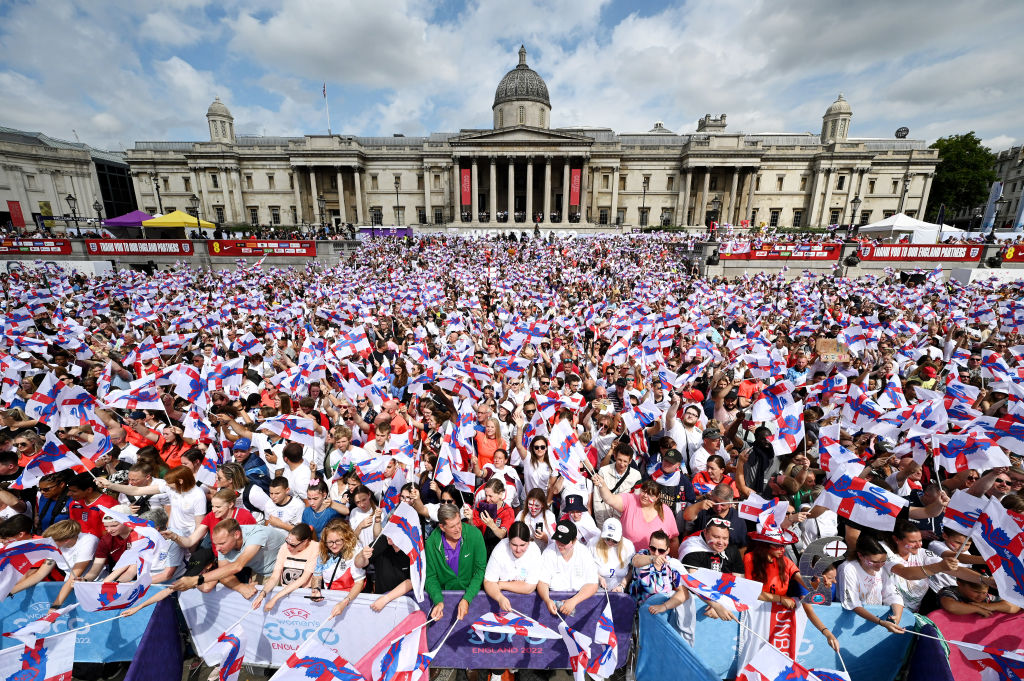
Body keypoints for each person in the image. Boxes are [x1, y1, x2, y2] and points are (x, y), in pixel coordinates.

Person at [171, 518, 287, 599]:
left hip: (286, 569)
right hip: (261, 571)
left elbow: (237, 566)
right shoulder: (223, 544)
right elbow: (224, 573)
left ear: (236, 535)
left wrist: (195, 580)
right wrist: (240, 587)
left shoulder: (257, 534)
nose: (217, 548)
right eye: (215, 544)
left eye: (221, 543)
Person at [98, 465, 206, 538]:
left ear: (180, 481)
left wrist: (191, 545)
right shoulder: (169, 487)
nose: (166, 485)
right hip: (173, 534)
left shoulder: (198, 495)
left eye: (169, 483)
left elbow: (199, 526)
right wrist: (110, 485)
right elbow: (136, 490)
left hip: (189, 536)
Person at [425, 503, 487, 621]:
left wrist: (467, 599)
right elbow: (430, 577)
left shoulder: (475, 535)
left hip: (473, 597)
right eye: (452, 526)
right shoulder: (431, 543)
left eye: (459, 523)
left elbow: (480, 571)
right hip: (444, 599)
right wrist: (438, 601)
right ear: (442, 527)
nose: (458, 528)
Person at [836, 533, 906, 634]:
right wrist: (880, 622)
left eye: (883, 561)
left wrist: (897, 617)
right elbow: (853, 603)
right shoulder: (848, 569)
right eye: (874, 562)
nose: (879, 566)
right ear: (860, 555)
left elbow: (892, 593)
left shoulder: (882, 568)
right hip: (849, 621)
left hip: (874, 620)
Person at [593, 476, 679, 554]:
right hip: (625, 557)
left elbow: (673, 540)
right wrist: (602, 485)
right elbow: (609, 499)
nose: (645, 496)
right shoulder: (630, 499)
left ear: (657, 498)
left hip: (653, 561)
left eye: (650, 494)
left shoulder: (666, 511)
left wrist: (675, 561)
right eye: (644, 492)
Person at [538, 520, 598, 616]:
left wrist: (574, 601)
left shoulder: (584, 553)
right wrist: (547, 600)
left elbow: (593, 584)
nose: (560, 544)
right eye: (557, 540)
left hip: (581, 603)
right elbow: (542, 582)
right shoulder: (549, 552)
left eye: (564, 542)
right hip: (554, 605)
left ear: (574, 541)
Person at [252, 524, 318, 612]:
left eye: (293, 545)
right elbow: (275, 577)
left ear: (305, 541)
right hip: (285, 594)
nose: (288, 547)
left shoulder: (315, 548)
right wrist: (262, 594)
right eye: (287, 542)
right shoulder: (284, 547)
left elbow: (303, 579)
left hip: (303, 596)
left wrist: (275, 598)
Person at [310, 518, 366, 618]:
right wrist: (316, 589)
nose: (334, 545)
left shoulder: (355, 551)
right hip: (331, 601)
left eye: (337, 541)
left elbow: (359, 583)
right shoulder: (323, 553)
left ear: (345, 538)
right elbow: (317, 576)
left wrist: (344, 602)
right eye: (330, 542)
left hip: (351, 602)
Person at [744, 521, 807, 608]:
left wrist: (817, 583)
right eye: (777, 546)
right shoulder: (749, 558)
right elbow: (751, 591)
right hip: (756, 608)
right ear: (765, 545)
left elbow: (803, 580)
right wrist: (780, 599)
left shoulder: (785, 561)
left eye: (783, 546)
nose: (782, 550)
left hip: (778, 609)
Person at [483, 521, 542, 611]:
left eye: (522, 545)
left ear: (529, 542)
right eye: (514, 545)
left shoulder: (534, 551)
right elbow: (488, 582)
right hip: (500, 603)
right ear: (508, 540)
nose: (518, 550)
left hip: (526, 604)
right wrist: (500, 598)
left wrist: (501, 584)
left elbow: (530, 587)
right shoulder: (500, 548)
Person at [937, 567, 1021, 617]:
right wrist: (977, 609)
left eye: (984, 592)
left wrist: (992, 606)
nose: (981, 596)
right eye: (976, 591)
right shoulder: (949, 592)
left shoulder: (987, 597)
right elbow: (951, 606)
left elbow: (1015, 606)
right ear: (960, 584)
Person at [593, 444, 642, 525]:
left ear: (630, 461)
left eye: (625, 461)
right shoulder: (603, 471)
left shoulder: (636, 475)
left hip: (624, 520)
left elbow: (636, 501)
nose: (622, 464)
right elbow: (597, 499)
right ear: (615, 457)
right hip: (605, 518)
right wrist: (600, 524)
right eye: (619, 460)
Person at [472, 478, 515, 554]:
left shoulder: (508, 511)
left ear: (500, 494)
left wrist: (492, 525)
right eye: (486, 495)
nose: (487, 499)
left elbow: (502, 534)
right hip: (480, 547)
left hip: (498, 551)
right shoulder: (481, 504)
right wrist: (470, 518)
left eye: (490, 496)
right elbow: (474, 527)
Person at [594, 517, 636, 592]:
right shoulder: (592, 543)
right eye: (607, 538)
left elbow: (632, 569)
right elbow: (587, 567)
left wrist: (622, 585)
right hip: (598, 589)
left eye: (614, 540)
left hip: (621, 588)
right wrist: (598, 577)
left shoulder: (628, 546)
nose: (610, 542)